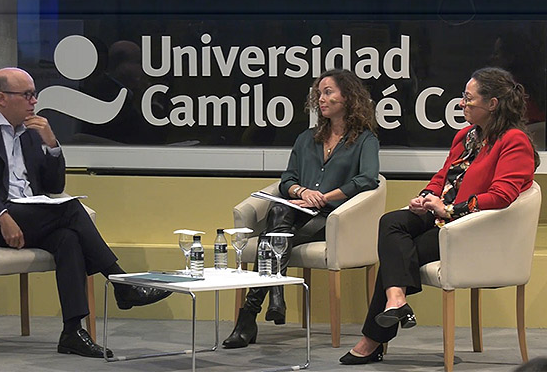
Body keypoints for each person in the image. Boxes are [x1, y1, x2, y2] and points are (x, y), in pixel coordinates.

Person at [0, 67, 172, 358]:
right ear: (2, 98)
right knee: (71, 210)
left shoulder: (31, 133)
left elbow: (55, 185)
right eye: (27, 95)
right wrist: (1, 215)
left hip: (33, 216)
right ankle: (121, 282)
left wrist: (52, 144)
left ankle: (72, 332)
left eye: (34, 94)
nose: (34, 101)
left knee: (69, 238)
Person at [339, 66, 539, 365]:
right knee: (391, 222)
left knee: (403, 252)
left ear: (492, 103)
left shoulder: (513, 141)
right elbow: (443, 177)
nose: (462, 103)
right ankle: (396, 300)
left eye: (468, 98)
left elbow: (502, 195)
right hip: (442, 217)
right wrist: (425, 197)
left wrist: (451, 210)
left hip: (472, 229)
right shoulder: (465, 136)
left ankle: (373, 339)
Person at [223, 68, 380, 349]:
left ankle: (251, 314)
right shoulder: (307, 138)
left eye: (328, 92)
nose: (321, 99)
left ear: (348, 96)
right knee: (278, 213)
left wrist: (323, 197)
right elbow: (287, 180)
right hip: (297, 212)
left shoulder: (365, 140)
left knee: (272, 234)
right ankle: (273, 295)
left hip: (332, 218)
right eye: (319, 94)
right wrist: (302, 192)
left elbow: (367, 179)